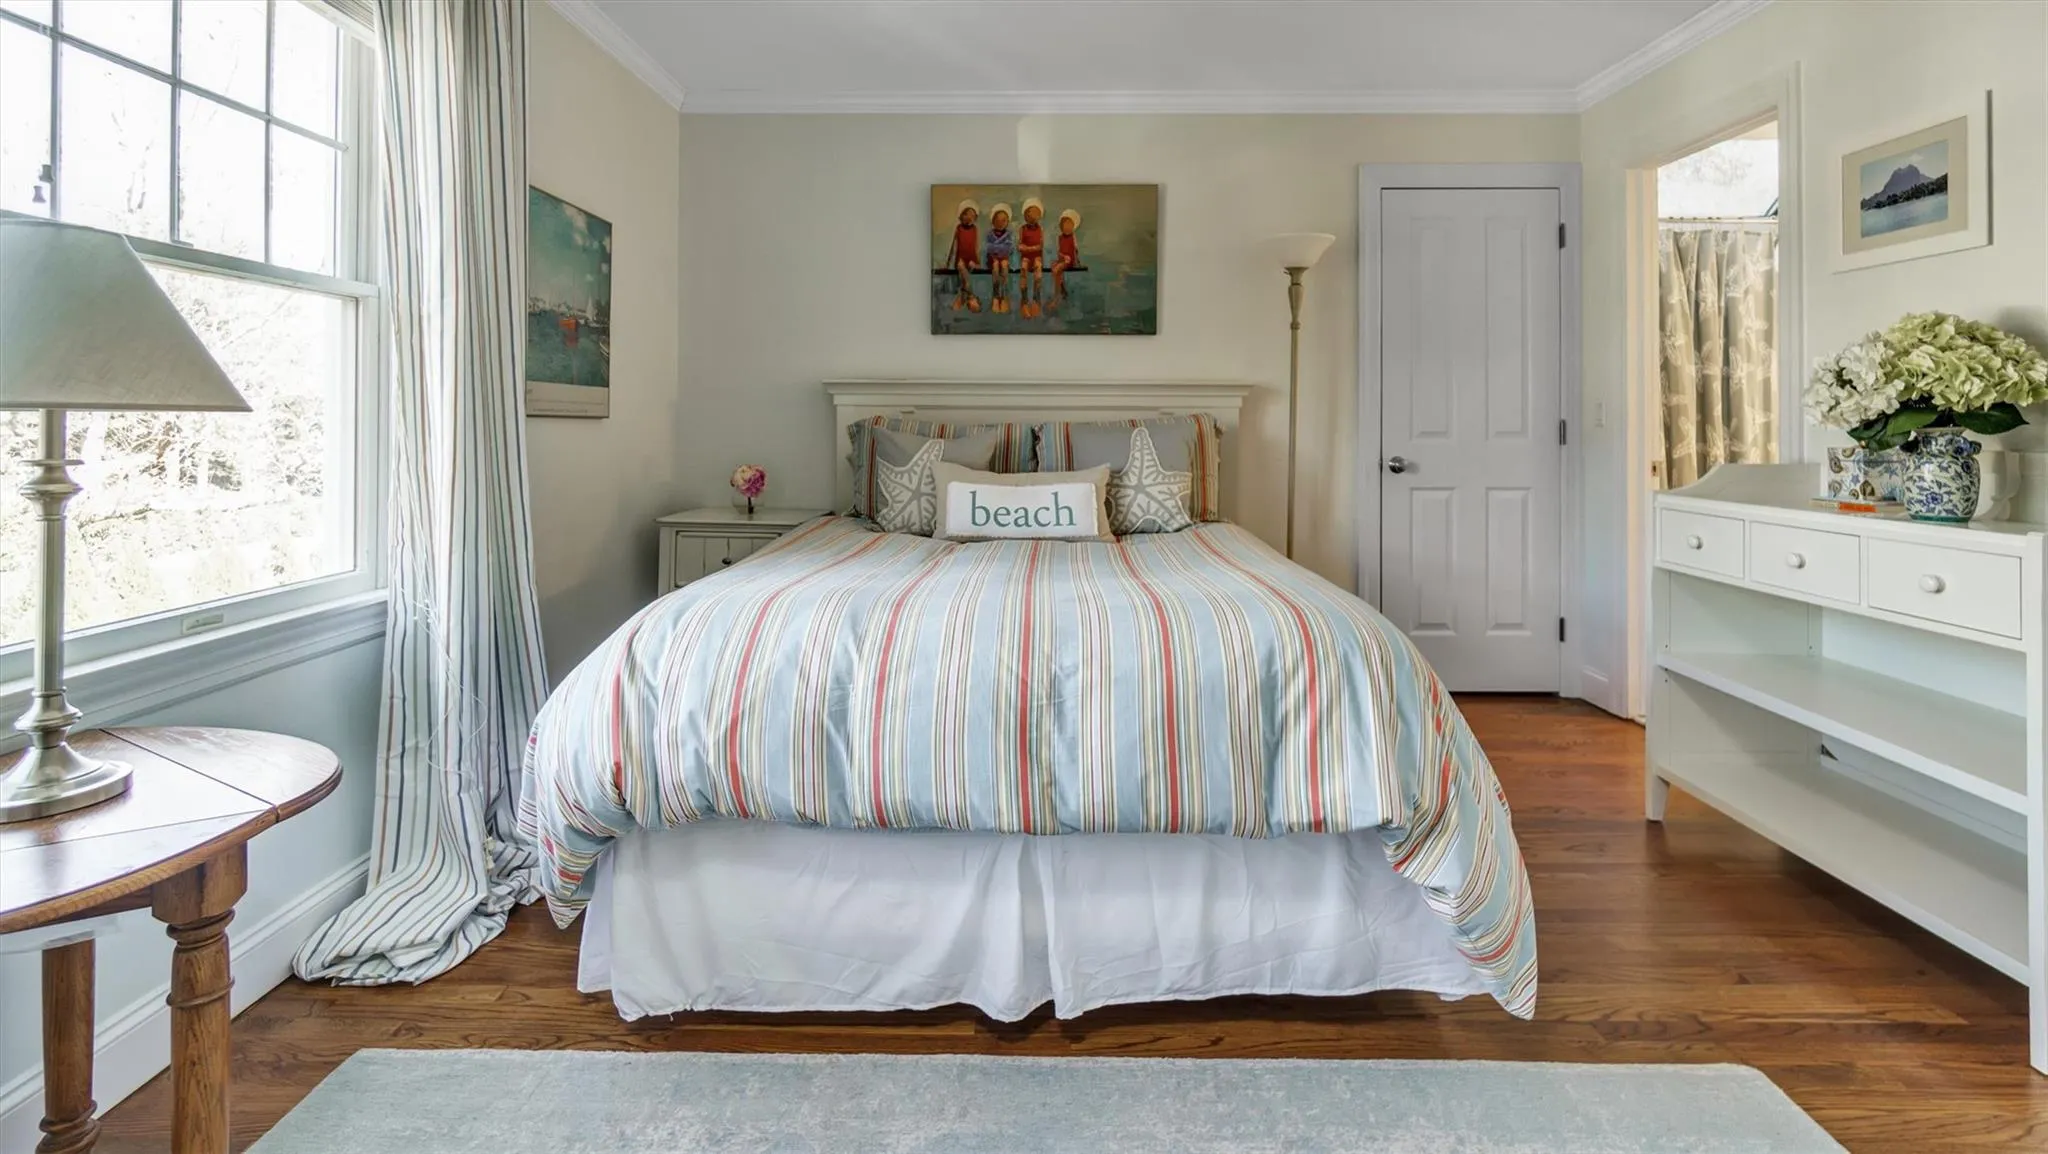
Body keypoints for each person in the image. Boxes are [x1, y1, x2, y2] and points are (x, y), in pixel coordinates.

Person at [945, 199, 981, 313]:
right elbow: (953, 246)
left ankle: (962, 296)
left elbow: (976, 246)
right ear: (961, 216)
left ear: (975, 217)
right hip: (961, 258)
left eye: (972, 215)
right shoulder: (959, 228)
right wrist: (948, 263)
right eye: (966, 214)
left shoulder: (975, 229)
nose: (969, 217)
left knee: (970, 266)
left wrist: (977, 262)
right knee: (961, 265)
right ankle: (971, 296)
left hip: (971, 259)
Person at [1016, 197, 1046, 319]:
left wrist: (1029, 248)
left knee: (1038, 270)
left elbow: (1040, 246)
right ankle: (1024, 300)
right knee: (1023, 268)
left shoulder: (1040, 229)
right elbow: (1019, 246)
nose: (1032, 216)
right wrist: (1029, 249)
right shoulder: (1022, 229)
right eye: (1029, 213)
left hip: (1036, 257)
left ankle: (1036, 299)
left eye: (1035, 213)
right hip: (1026, 257)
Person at [983, 203, 1015, 314]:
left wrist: (997, 249)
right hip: (992, 260)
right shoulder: (989, 234)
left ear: (1007, 222)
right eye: (998, 220)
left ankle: (1004, 295)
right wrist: (1000, 249)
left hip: (1004, 259)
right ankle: (996, 295)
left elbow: (1009, 248)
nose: (1000, 223)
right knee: (996, 265)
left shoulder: (1009, 234)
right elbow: (989, 248)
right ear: (993, 221)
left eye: (1003, 220)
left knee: (1004, 265)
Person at [1051, 208, 1081, 309]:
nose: (1067, 227)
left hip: (1069, 260)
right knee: (1054, 266)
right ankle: (1062, 289)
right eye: (1065, 224)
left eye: (1069, 225)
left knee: (1057, 270)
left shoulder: (1073, 237)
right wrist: (1062, 256)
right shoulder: (1060, 238)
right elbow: (1059, 251)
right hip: (1062, 259)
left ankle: (1056, 298)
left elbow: (1076, 250)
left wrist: (1078, 262)